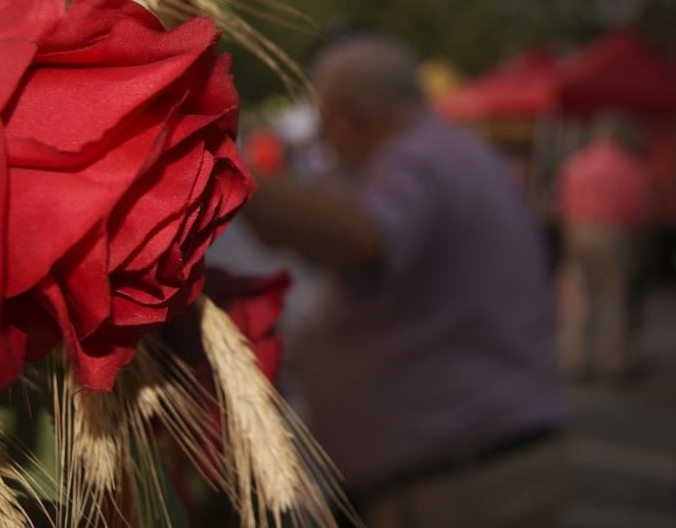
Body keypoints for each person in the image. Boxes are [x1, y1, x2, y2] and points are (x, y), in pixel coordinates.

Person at [242, 35, 564, 528]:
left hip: (455, 482)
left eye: (326, 122)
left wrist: (224, 172)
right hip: (475, 468)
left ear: (345, 118)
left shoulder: (417, 158)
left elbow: (364, 238)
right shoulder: (456, 152)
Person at [556, 113, 649, 381]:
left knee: (577, 298)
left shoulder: (576, 163)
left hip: (578, 230)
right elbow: (639, 211)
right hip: (614, 233)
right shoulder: (630, 166)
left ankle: (573, 359)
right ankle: (612, 361)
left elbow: (563, 205)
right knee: (613, 299)